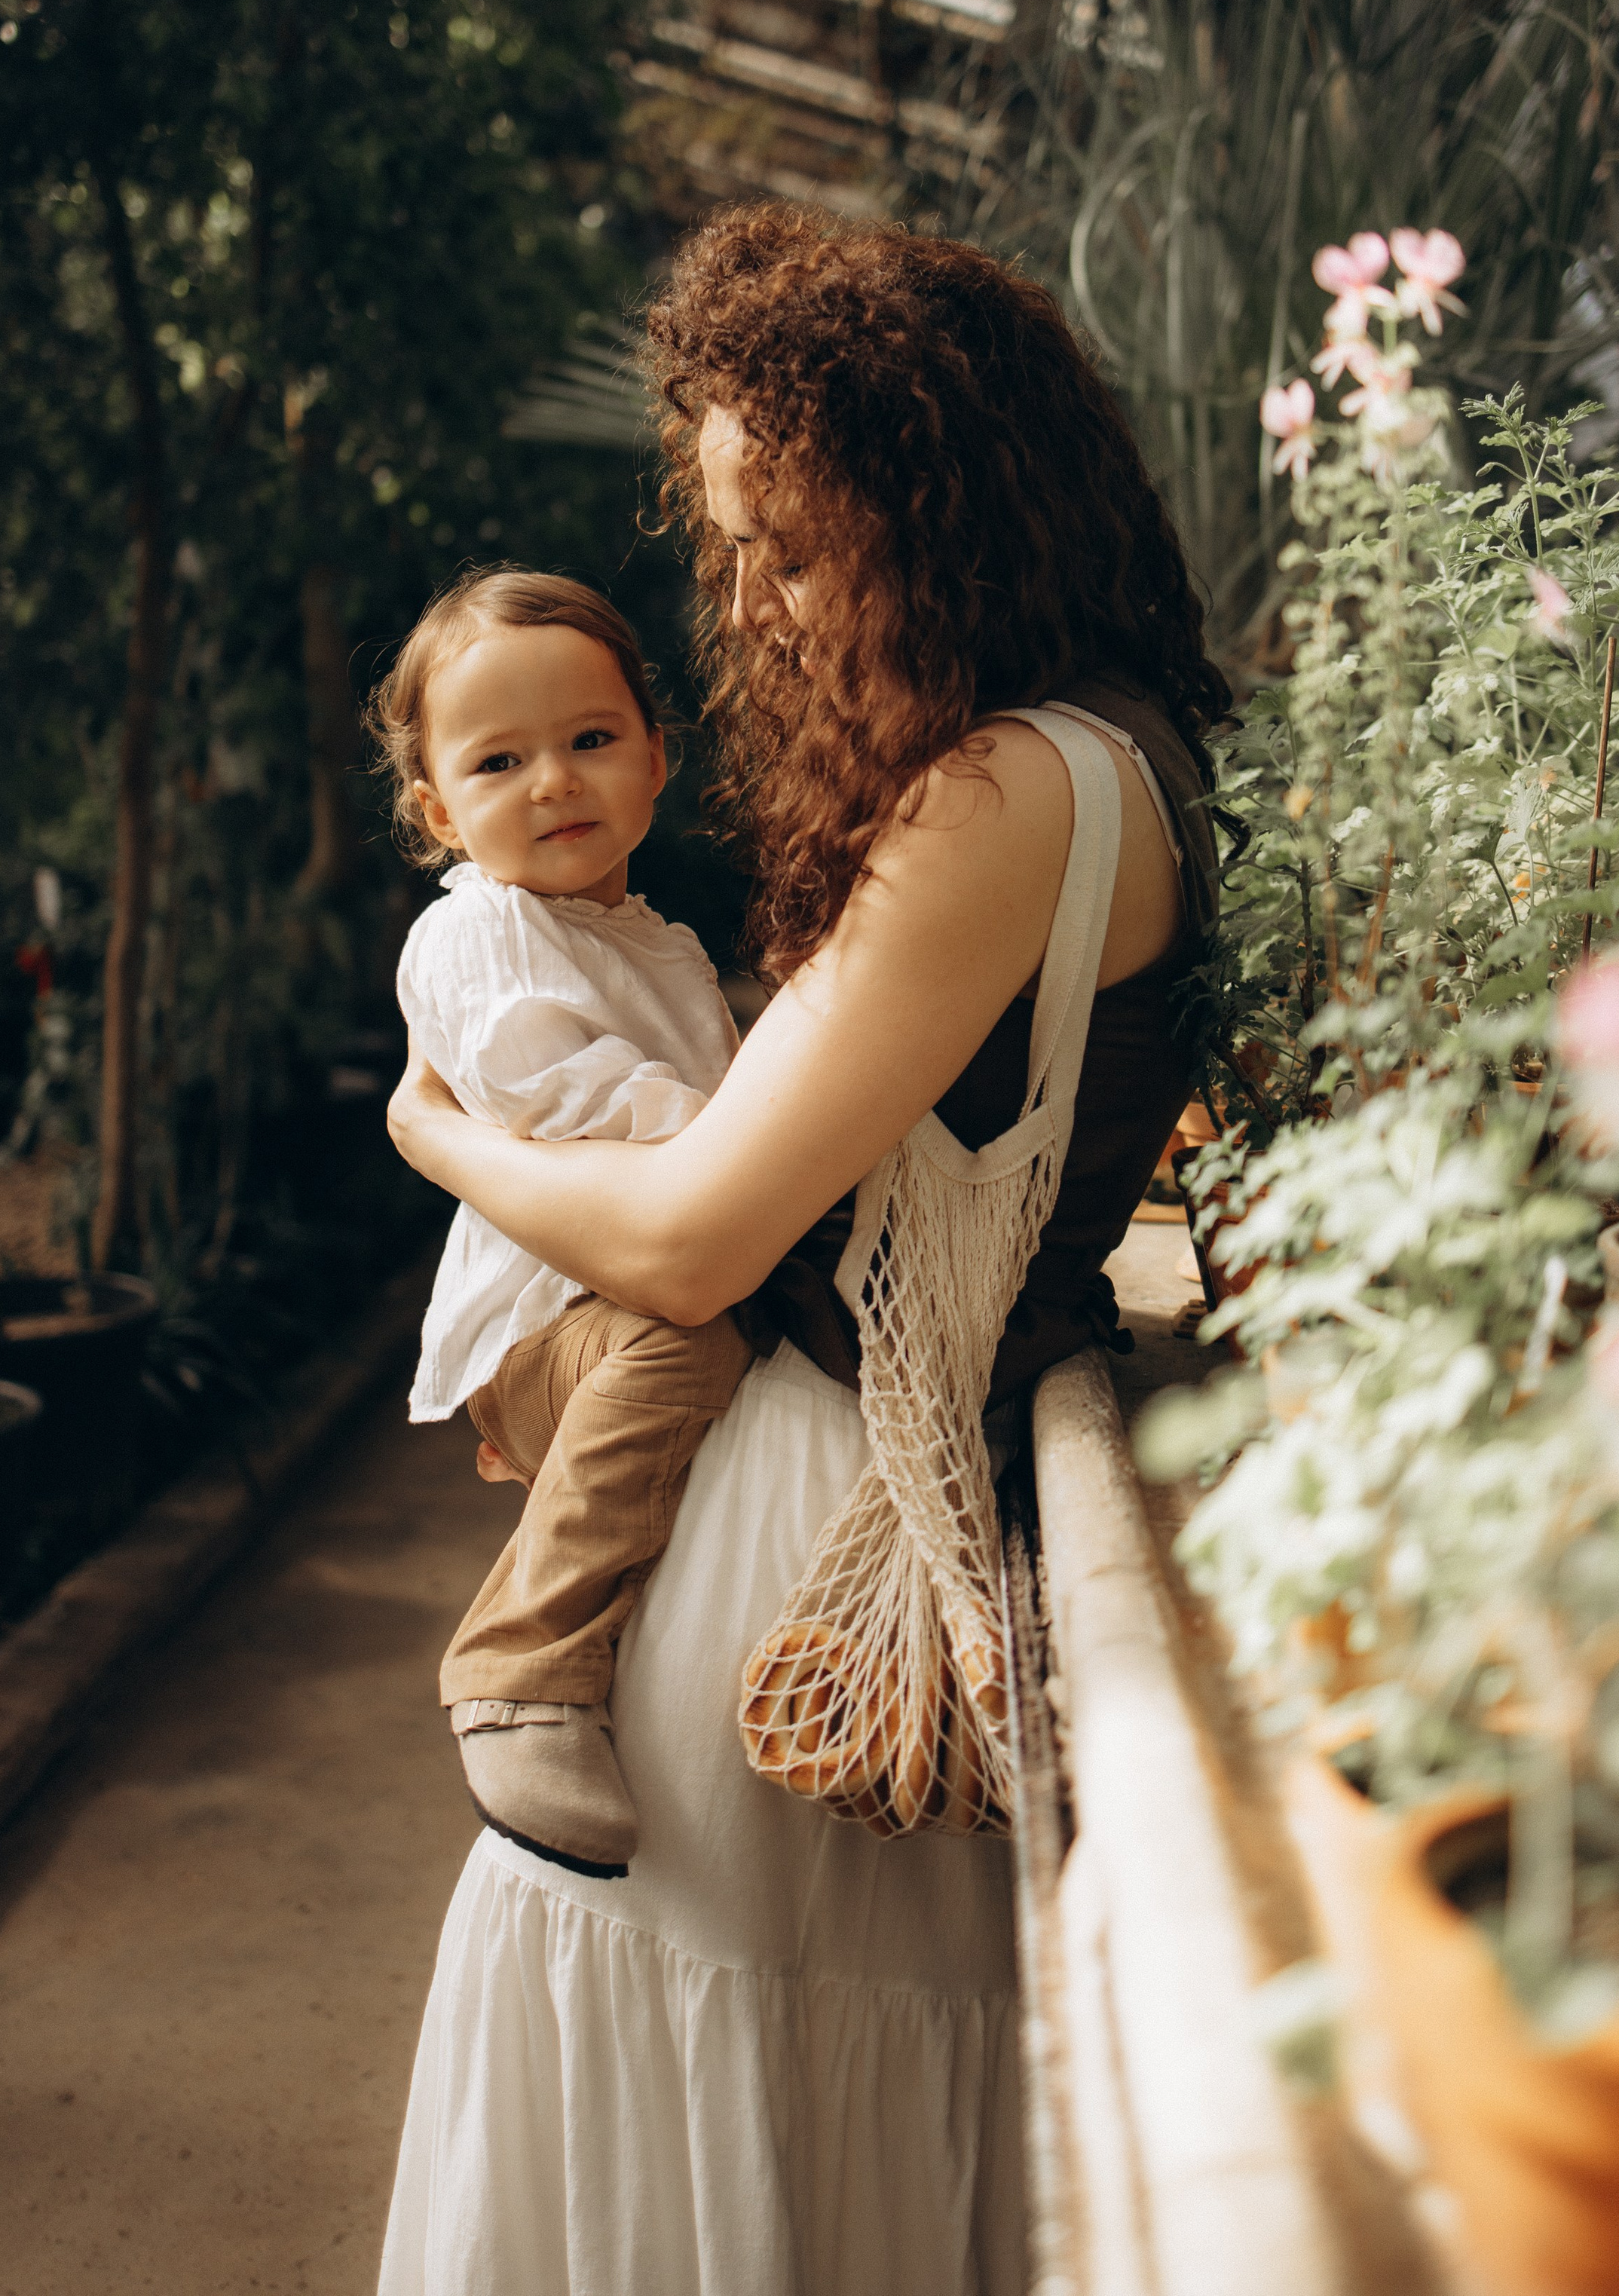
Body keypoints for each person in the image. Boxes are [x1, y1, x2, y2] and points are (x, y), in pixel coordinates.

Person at [378, 207, 1229, 2296]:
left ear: (935, 499)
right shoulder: (1136, 751)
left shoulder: (1013, 788)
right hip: (879, 1528)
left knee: (720, 2157)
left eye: (794, 536)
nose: (764, 594)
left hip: (806, 1547)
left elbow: (688, 1236)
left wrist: (432, 1134)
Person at [369, 567, 745, 1874]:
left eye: (590, 741)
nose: (553, 783)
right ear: (437, 810)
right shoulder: (476, 937)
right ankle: (519, 1669)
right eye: (499, 760)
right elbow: (559, 1095)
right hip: (549, 1333)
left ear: (656, 755)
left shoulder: (662, 941)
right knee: (684, 1348)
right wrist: (751, 1139)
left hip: (639, 1278)